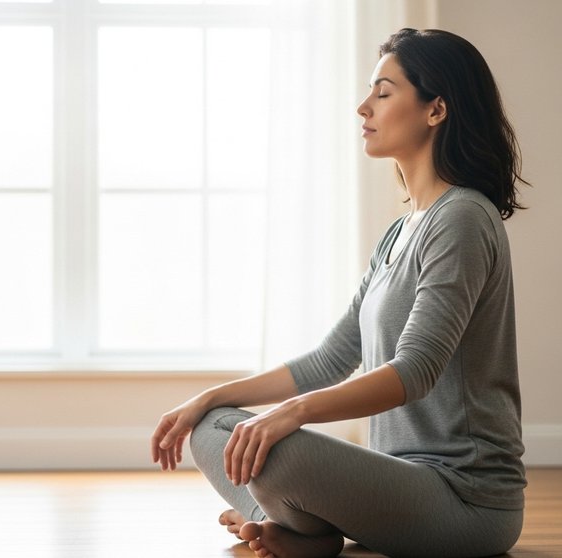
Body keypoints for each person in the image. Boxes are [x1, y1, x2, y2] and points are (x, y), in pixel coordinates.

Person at [150, 27, 529, 558]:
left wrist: (294, 412)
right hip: (396, 486)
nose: (362, 107)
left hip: (463, 503)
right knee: (215, 427)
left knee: (280, 446)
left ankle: (291, 524)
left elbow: (415, 371)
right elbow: (331, 358)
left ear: (435, 109)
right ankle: (301, 530)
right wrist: (210, 397)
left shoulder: (462, 218)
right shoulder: (402, 231)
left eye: (383, 92)